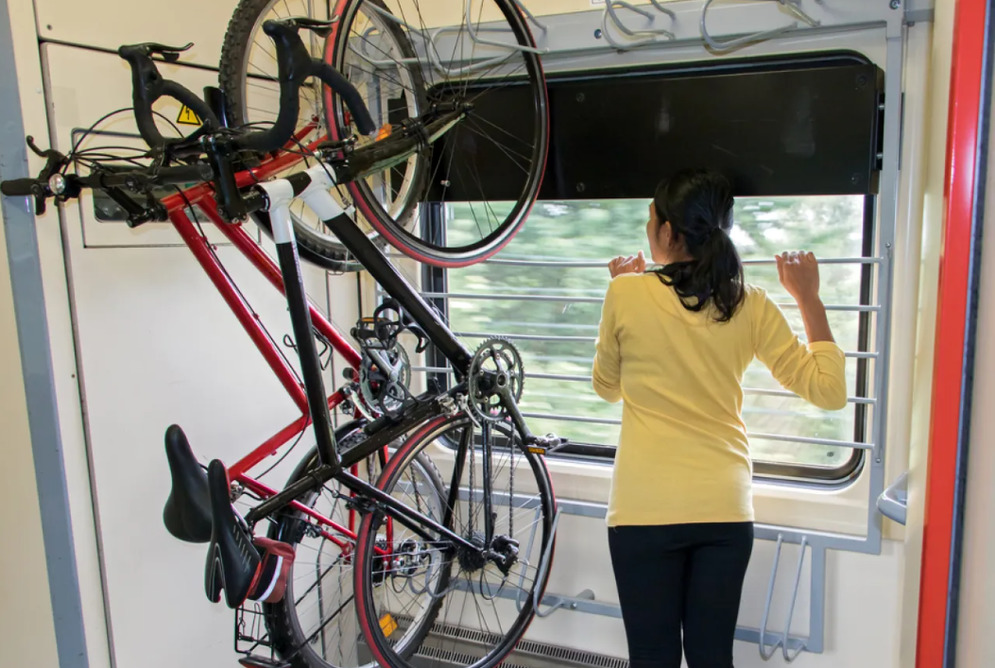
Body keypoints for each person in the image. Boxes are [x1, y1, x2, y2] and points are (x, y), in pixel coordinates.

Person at [592, 168, 848, 668]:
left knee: (652, 656)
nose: (648, 228)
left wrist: (626, 294)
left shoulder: (626, 293)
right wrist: (808, 297)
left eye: (650, 219)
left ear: (668, 232)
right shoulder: (748, 303)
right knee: (712, 657)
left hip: (644, 511)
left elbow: (606, 388)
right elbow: (829, 391)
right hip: (725, 510)